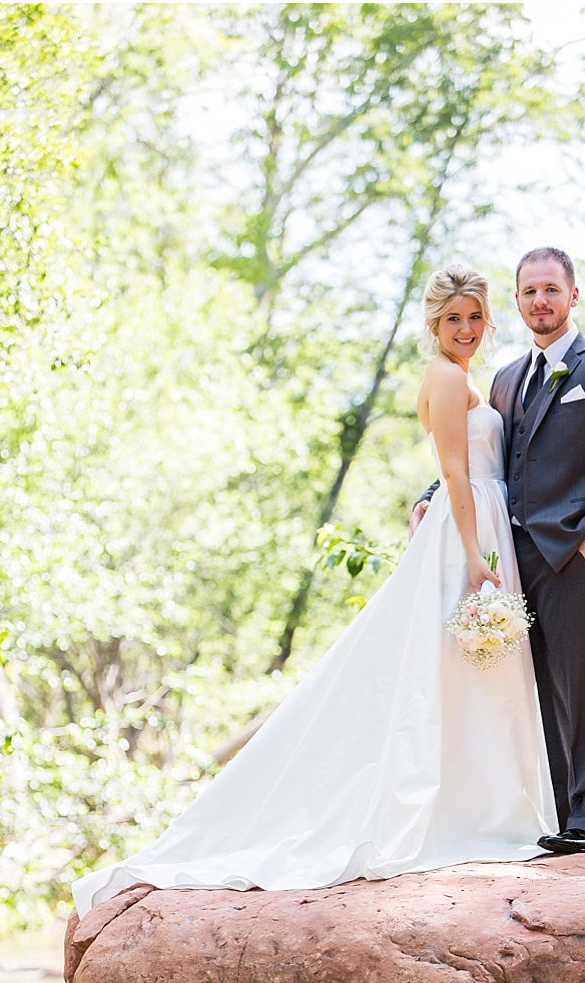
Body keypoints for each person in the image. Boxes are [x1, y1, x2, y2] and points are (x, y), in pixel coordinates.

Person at [71, 266, 555, 916]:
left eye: (473, 317)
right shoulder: (443, 377)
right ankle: (464, 809)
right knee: (449, 669)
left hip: (482, 525)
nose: (465, 329)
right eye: (452, 320)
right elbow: (452, 472)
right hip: (466, 536)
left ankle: (486, 804)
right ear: (434, 327)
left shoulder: (471, 378)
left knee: (474, 673)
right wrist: (474, 557)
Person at [414, 247, 585, 854]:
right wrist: (427, 496)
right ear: (517, 303)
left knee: (583, 683)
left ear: (573, 296)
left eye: (551, 290)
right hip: (511, 554)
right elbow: (476, 453)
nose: (540, 301)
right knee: (535, 685)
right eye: (529, 292)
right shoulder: (505, 378)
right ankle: (559, 811)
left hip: (574, 554)